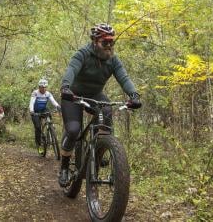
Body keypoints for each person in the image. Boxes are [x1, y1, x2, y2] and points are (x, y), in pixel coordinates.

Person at [58, 23, 142, 187]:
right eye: (105, 43)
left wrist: (134, 95)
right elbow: (71, 70)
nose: (109, 46)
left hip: (95, 95)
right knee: (74, 130)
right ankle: (64, 168)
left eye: (112, 42)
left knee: (106, 111)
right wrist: (65, 87)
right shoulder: (82, 54)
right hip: (73, 95)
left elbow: (124, 78)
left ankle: (99, 148)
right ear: (95, 41)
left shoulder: (113, 60)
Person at [29, 79, 61, 155]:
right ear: (39, 87)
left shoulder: (48, 94)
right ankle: (39, 145)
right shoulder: (35, 93)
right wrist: (32, 111)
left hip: (43, 110)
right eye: (42, 87)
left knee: (48, 111)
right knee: (37, 128)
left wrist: (58, 106)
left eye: (45, 87)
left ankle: (51, 126)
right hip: (35, 112)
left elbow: (53, 101)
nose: (44, 89)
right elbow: (32, 102)